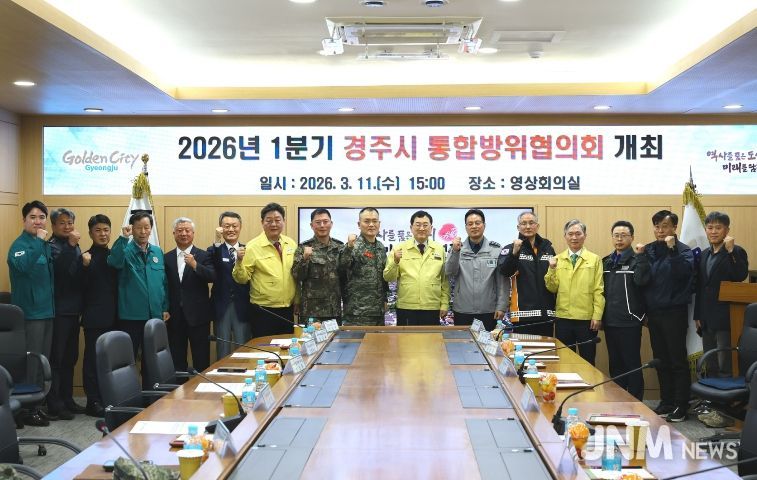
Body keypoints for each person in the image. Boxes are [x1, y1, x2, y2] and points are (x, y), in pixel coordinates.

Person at [643, 210, 694, 423]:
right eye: (657, 226)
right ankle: (666, 401)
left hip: (674, 313)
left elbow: (683, 274)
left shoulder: (683, 250)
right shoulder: (649, 250)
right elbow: (643, 281)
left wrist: (672, 250)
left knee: (677, 360)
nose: (660, 230)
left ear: (674, 227)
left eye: (665, 226)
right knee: (661, 360)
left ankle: (681, 404)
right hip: (654, 313)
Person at [6, 200, 54, 426]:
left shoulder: (43, 244)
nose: (38, 221)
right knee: (31, 363)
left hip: (47, 311)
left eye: (42, 217)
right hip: (30, 313)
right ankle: (25, 410)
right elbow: (23, 267)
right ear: (24, 220)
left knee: (43, 361)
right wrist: (39, 242)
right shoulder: (20, 246)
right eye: (33, 217)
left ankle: (37, 406)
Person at [107, 212, 169, 387]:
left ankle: (152, 397)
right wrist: (122, 238)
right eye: (138, 228)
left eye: (146, 227)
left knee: (152, 360)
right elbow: (114, 262)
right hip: (131, 316)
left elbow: (163, 283)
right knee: (128, 361)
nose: (143, 232)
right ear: (132, 229)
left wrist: (165, 307)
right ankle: (129, 396)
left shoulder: (157, 252)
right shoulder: (125, 250)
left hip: (154, 316)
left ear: (151, 229)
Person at [694, 211, 749, 377]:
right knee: (710, 363)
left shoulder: (736, 251)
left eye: (718, 228)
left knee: (725, 363)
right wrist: (698, 314)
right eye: (710, 227)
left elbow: (740, 275)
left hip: (726, 318)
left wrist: (731, 251)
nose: (713, 231)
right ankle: (711, 392)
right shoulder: (704, 254)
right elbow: (701, 287)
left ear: (727, 230)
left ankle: (726, 393)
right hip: (706, 318)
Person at [602, 220, 651, 400]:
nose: (619, 239)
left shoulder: (638, 259)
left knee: (632, 365)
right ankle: (618, 402)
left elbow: (642, 282)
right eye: (616, 235)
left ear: (632, 237)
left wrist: (641, 258)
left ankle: (636, 402)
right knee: (615, 365)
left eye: (624, 235)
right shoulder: (606, 262)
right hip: (610, 321)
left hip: (630, 321)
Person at [544, 219, 604, 365]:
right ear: (565, 236)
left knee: (587, 360)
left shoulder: (594, 259)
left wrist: (597, 315)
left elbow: (599, 289)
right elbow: (552, 288)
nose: (574, 237)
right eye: (570, 234)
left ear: (585, 236)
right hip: (563, 318)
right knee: (565, 361)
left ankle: (588, 381)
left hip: (586, 319)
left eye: (578, 233)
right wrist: (551, 269)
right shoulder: (557, 259)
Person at [233, 203, 297, 337]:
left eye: (277, 220)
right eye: (269, 220)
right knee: (264, 347)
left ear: (283, 221)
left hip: (287, 308)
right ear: (262, 222)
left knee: (287, 346)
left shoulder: (290, 243)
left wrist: (297, 300)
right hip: (263, 310)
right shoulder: (253, 246)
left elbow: (295, 275)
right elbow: (242, 279)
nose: (274, 224)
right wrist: (239, 261)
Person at [46, 208, 85, 420]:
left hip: (74, 309)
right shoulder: (51, 246)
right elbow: (60, 271)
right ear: (53, 226)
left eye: (70, 222)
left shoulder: (73, 244)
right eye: (62, 223)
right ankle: (55, 403)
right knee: (57, 359)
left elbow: (76, 274)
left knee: (70, 358)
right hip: (59, 310)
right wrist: (71, 246)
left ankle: (67, 399)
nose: (67, 226)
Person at [164, 217, 215, 372]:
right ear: (174, 233)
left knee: (201, 358)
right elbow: (163, 285)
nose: (184, 234)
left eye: (187, 230)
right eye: (180, 230)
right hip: (174, 316)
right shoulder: (166, 257)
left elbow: (212, 276)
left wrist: (195, 265)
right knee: (177, 358)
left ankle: (201, 387)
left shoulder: (204, 255)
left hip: (198, 316)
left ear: (193, 233)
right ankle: (180, 387)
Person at [445, 208, 508, 331]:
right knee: (462, 342)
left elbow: (502, 281)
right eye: (470, 224)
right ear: (466, 227)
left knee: (488, 342)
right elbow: (449, 272)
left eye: (477, 223)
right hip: (463, 310)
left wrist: (501, 306)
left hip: (488, 310)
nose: (474, 226)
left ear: (484, 225)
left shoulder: (495, 250)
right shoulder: (457, 249)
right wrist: (455, 252)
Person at [80, 214, 117, 417]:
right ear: (90, 233)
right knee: (93, 361)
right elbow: (78, 287)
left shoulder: (115, 256)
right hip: (95, 317)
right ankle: (93, 401)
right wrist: (84, 267)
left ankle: (108, 398)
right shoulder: (85, 257)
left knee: (111, 360)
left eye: (106, 230)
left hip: (117, 317)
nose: (103, 234)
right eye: (98, 230)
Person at [383, 210, 449, 326]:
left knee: (431, 338)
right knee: (406, 338)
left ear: (431, 228)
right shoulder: (399, 248)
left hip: (432, 307)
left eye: (425, 225)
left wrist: (444, 304)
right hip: (406, 307)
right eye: (418, 225)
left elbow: (444, 280)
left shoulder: (439, 249)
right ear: (411, 228)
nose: (421, 228)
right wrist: (395, 261)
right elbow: (388, 277)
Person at [497, 211, 557, 336]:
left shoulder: (548, 248)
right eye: (524, 223)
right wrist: (514, 253)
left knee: (546, 348)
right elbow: (505, 272)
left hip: (546, 314)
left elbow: (554, 277)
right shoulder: (510, 248)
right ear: (518, 227)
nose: (528, 226)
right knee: (523, 348)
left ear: (537, 226)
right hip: (523, 315)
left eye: (531, 223)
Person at [207, 211, 251, 359]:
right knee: (223, 348)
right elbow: (211, 263)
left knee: (243, 347)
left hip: (243, 305)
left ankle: (244, 373)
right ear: (221, 228)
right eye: (227, 226)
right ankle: (223, 373)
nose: (231, 229)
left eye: (234, 226)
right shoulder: (214, 249)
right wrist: (217, 240)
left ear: (240, 227)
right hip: (221, 306)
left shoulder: (248, 249)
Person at [338, 207, 389, 326]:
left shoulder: (381, 247)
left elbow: (383, 277)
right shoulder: (352, 246)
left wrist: (385, 299)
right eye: (367, 221)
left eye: (374, 221)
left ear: (379, 224)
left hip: (378, 312)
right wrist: (349, 248)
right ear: (359, 224)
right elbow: (341, 268)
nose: (371, 225)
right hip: (357, 312)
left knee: (378, 339)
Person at [292, 208, 344, 322]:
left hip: (334, 309)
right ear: (311, 225)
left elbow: (345, 275)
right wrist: (305, 259)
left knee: (336, 334)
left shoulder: (340, 247)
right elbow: (297, 276)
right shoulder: (303, 247)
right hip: (311, 311)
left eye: (325, 222)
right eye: (318, 222)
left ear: (331, 224)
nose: (322, 225)